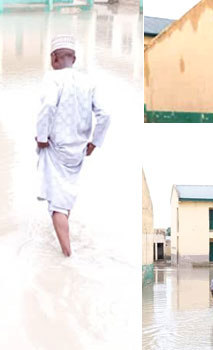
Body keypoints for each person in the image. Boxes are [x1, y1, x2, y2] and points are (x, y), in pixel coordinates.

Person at [35, 35, 110, 257]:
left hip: (56, 148)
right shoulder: (89, 82)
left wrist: (41, 137)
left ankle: (68, 255)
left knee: (57, 204)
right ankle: (66, 240)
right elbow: (105, 114)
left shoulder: (53, 79)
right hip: (78, 150)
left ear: (54, 58)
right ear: (74, 59)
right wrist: (94, 142)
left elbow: (48, 105)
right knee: (65, 194)